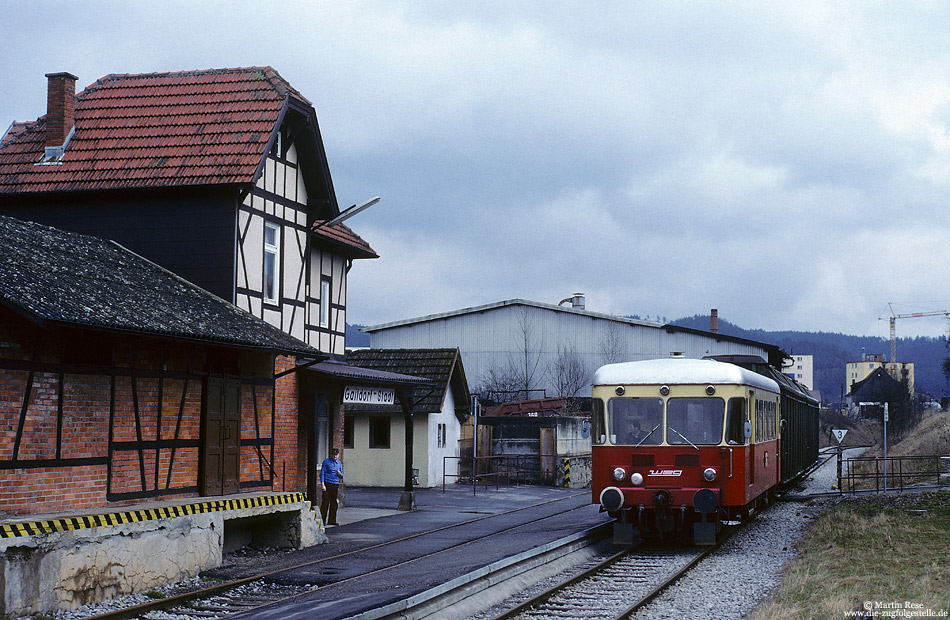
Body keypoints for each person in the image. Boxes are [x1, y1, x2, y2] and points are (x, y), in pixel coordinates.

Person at [320, 448, 344, 527]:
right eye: (334, 454)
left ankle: (332, 520)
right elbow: (322, 473)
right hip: (327, 483)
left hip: (335, 484)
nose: (335, 456)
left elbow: (342, 476)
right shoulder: (326, 461)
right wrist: (323, 484)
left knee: (334, 503)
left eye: (336, 454)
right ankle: (322, 520)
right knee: (325, 502)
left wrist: (340, 474)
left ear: (338, 455)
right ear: (331, 454)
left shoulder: (339, 463)